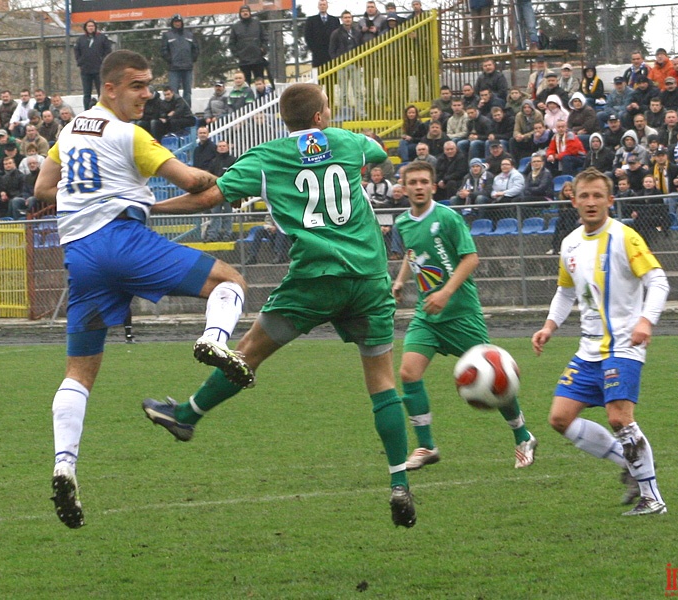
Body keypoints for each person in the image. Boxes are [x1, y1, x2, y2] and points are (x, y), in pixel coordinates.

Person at [140, 82, 418, 529]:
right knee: (381, 378)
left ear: (284, 120)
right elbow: (379, 153)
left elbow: (210, 197)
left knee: (248, 353)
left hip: (314, 281)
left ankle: (188, 415)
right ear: (320, 116)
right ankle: (399, 480)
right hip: (368, 277)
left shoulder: (266, 158)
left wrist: (151, 207)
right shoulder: (345, 142)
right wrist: (344, 147)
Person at [34, 50, 252, 529]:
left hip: (81, 256)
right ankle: (214, 341)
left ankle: (64, 464)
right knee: (230, 281)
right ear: (109, 88)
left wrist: (85, 191)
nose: (147, 94)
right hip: (121, 239)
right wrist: (217, 180)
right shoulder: (130, 135)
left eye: (149, 85)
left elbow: (43, 188)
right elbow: (195, 180)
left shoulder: (69, 132)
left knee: (79, 371)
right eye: (137, 85)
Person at [532, 168, 670, 516]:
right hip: (588, 348)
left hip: (624, 344)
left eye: (598, 196)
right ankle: (628, 461)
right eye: (584, 196)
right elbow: (565, 292)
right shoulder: (570, 243)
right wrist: (549, 327)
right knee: (559, 419)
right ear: (573, 200)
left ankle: (652, 498)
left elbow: (659, 282)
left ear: (610, 200)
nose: (591, 202)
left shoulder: (625, 237)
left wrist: (645, 321)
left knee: (620, 418)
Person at [391, 160, 538, 472]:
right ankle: (427, 446)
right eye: (412, 182)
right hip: (427, 316)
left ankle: (523, 436)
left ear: (433, 186)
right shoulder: (404, 222)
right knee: (408, 373)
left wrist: (445, 293)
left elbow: (471, 259)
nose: (418, 187)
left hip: (461, 314)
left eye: (423, 182)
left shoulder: (447, 218)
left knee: (496, 379)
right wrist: (401, 279)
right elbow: (412, 253)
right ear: (404, 188)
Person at [74, 19, 113, 110]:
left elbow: (108, 51)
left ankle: (102, 109)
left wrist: (103, 62)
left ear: (95, 27)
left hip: (99, 70)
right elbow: (76, 51)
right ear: (85, 28)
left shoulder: (102, 38)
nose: (90, 28)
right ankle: (86, 111)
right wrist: (80, 62)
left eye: (92, 26)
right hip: (85, 70)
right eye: (89, 26)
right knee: (87, 93)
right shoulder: (81, 39)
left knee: (101, 91)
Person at [160, 14, 199, 104]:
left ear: (182, 23)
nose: (177, 24)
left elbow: (195, 49)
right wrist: (170, 60)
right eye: (175, 22)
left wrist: (192, 59)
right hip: (174, 69)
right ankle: (176, 112)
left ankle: (187, 112)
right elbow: (163, 51)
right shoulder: (167, 35)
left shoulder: (190, 34)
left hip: (187, 68)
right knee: (174, 92)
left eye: (179, 22)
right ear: (172, 23)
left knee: (188, 92)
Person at [230, 5, 271, 86]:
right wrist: (237, 54)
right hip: (244, 61)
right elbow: (231, 43)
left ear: (249, 12)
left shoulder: (257, 24)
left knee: (260, 82)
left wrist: (263, 49)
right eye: (243, 11)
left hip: (257, 59)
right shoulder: (236, 26)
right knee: (245, 84)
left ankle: (261, 97)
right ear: (240, 13)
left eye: (246, 11)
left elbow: (265, 38)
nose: (245, 13)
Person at [304, 0, 341, 69]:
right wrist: (314, 50)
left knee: (332, 75)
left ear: (327, 6)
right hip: (317, 54)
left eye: (324, 5)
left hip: (331, 54)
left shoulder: (335, 20)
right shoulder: (311, 20)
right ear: (318, 6)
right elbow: (308, 36)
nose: (322, 6)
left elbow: (338, 36)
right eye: (320, 5)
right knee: (319, 75)